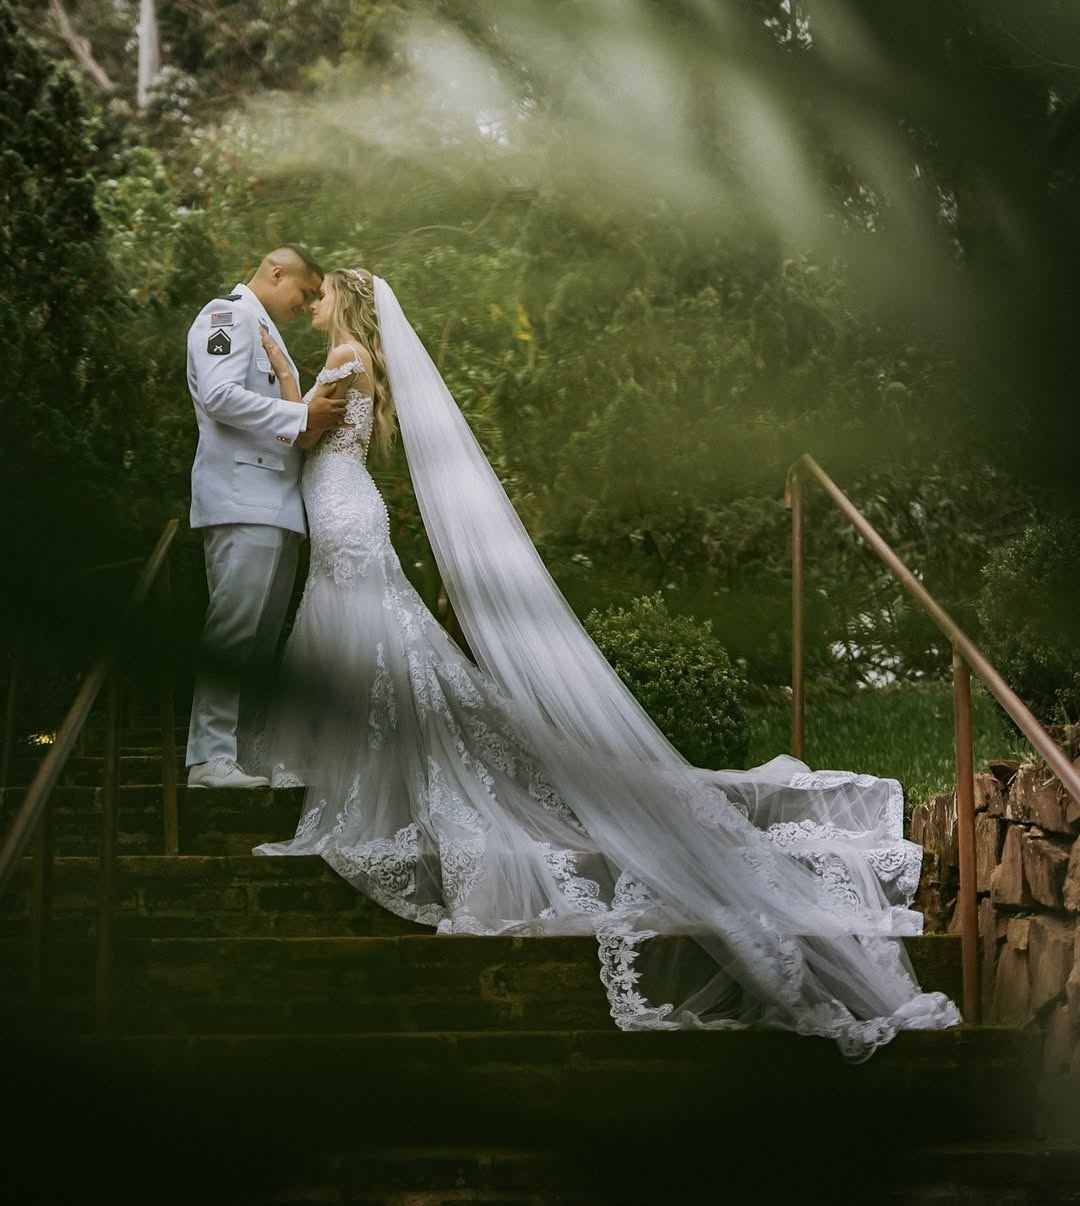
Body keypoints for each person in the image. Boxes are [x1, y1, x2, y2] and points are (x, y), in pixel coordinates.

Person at [250, 268, 961, 1057]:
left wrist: (279, 374)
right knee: (369, 637)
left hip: (344, 508)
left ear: (342, 301)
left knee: (378, 639)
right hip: (341, 505)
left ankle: (365, 759)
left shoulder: (344, 356)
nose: (309, 304)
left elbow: (304, 430)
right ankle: (354, 752)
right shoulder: (356, 357)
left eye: (318, 295)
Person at [184, 246, 348, 790]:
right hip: (240, 496)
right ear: (276, 273)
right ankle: (208, 759)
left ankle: (243, 755)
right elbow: (219, 395)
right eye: (304, 292)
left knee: (256, 642)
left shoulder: (266, 331)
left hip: (276, 504)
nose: (305, 305)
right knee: (231, 634)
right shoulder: (225, 316)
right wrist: (300, 413)